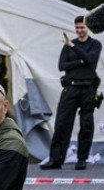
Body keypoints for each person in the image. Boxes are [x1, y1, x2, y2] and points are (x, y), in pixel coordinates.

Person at [43, 16, 100, 170]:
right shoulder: (68, 45)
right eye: (77, 28)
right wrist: (80, 61)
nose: (80, 30)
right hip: (70, 88)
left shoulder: (95, 44)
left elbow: (90, 59)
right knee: (62, 124)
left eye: (82, 27)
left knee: (86, 124)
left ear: (87, 27)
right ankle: (55, 159)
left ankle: (82, 159)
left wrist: (74, 48)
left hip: (88, 88)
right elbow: (62, 66)